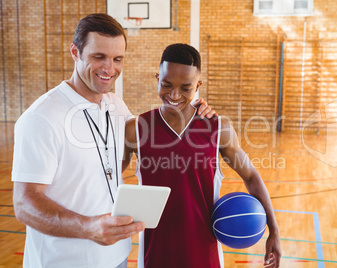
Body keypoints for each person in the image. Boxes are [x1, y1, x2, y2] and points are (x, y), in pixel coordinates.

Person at [12, 14, 215, 268]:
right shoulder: (41, 117)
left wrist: (194, 108)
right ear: (75, 52)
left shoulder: (115, 106)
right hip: (63, 261)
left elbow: (151, 135)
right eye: (99, 57)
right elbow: (24, 204)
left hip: (116, 256)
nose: (109, 68)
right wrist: (88, 227)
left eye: (117, 59)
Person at [124, 43, 281, 268]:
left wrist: (274, 230)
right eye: (166, 84)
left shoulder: (219, 129)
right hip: (154, 254)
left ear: (198, 86)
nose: (174, 95)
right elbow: (106, 181)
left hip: (204, 253)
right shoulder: (135, 129)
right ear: (157, 78)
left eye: (186, 88)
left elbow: (251, 177)